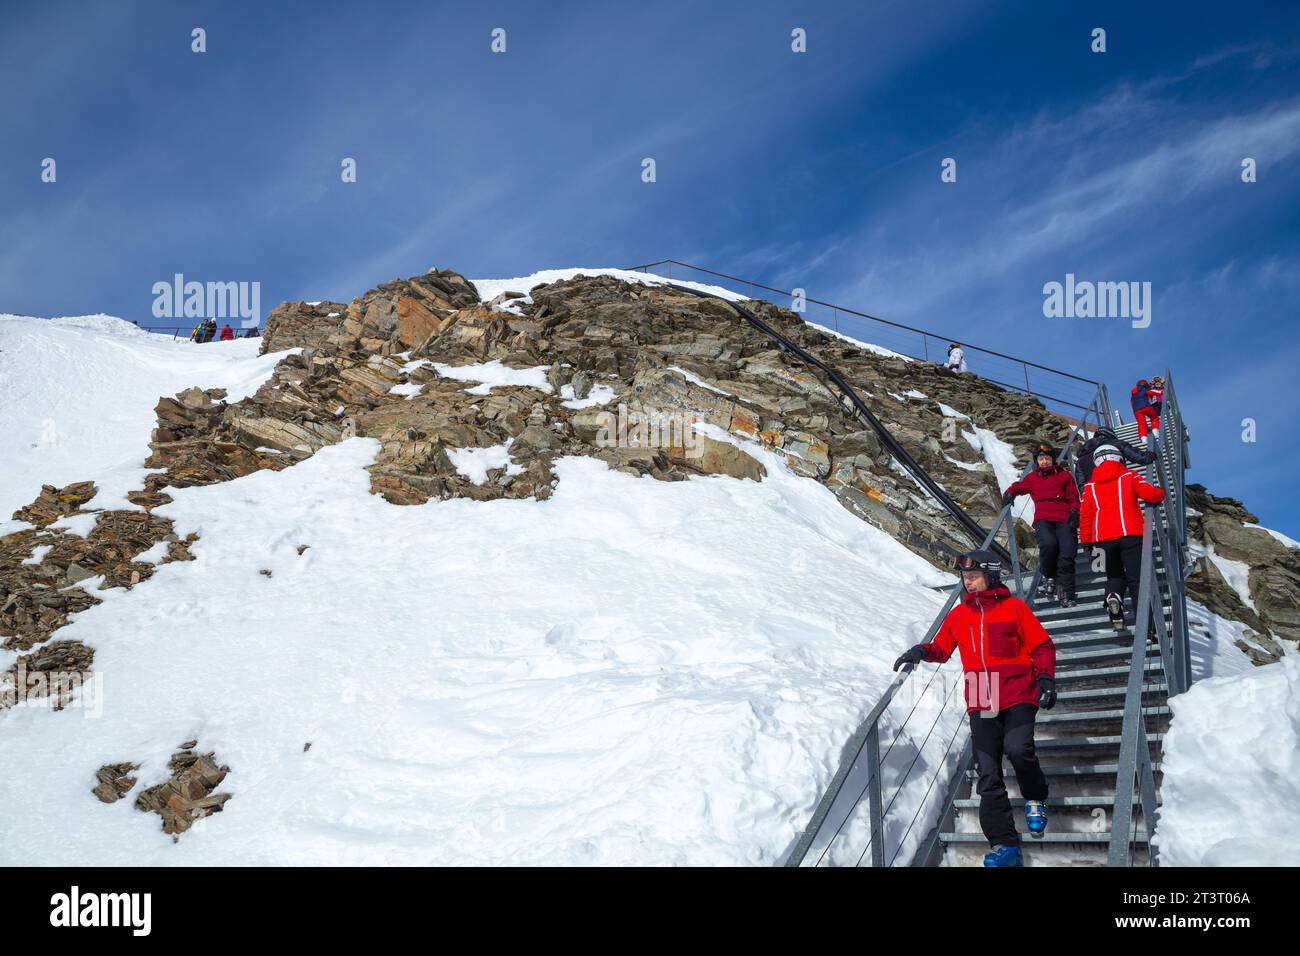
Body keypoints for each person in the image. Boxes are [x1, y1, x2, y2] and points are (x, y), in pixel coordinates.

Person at [893, 549, 1057, 867]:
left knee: (1018, 749)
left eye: (974, 576)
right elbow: (942, 648)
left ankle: (1035, 798)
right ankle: (1005, 845)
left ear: (991, 576)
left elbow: (1041, 645)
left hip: (1018, 691)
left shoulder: (1014, 608)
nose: (968, 583)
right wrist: (920, 651)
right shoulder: (959, 615)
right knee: (987, 773)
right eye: (965, 578)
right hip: (983, 695)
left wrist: (1046, 677)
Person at [1078, 444, 1167, 630]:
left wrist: (1086, 541)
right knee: (1137, 582)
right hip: (1130, 534)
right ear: (1119, 457)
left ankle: (1113, 596)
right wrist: (1162, 493)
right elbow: (1150, 494)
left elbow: (1085, 516)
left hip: (1102, 539)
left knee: (1114, 575)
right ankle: (1148, 629)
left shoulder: (1089, 487)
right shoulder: (1129, 476)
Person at [1002, 441, 1080, 606]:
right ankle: (1049, 575)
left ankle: (1067, 594)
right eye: (1041, 459)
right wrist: (1010, 492)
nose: (1044, 462)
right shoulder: (1033, 478)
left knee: (1067, 554)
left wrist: (1074, 511)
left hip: (1064, 518)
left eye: (1047, 458)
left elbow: (1073, 496)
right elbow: (1020, 486)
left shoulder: (1064, 475)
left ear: (1053, 459)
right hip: (1044, 519)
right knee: (1049, 545)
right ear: (1037, 461)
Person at [1075, 424, 1155, 488]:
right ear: (1111, 436)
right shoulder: (1117, 444)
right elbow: (1137, 456)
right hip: (1118, 486)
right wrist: (1150, 455)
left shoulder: (1082, 457)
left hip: (1096, 496)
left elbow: (1081, 483)